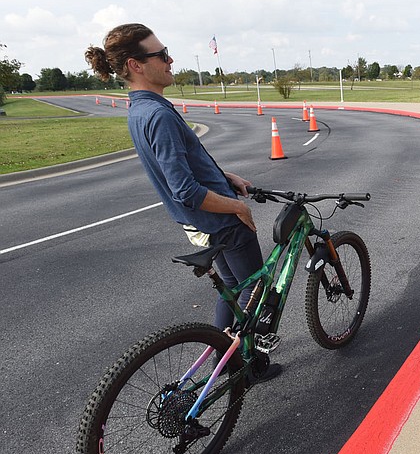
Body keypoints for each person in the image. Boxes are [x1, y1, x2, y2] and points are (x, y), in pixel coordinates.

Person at [85, 23, 281, 379]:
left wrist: (226, 178)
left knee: (232, 290)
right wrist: (237, 206)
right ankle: (247, 367)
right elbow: (185, 189)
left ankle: (223, 361)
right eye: (161, 54)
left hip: (199, 224)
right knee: (257, 291)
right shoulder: (158, 115)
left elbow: (185, 165)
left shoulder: (142, 108)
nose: (170, 59)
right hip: (220, 222)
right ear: (136, 65)